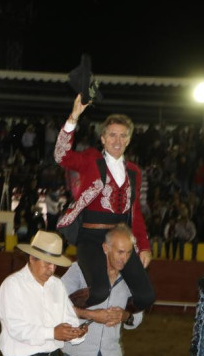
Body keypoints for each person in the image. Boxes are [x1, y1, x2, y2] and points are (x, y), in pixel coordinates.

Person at [55, 94, 155, 312]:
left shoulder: (135, 172)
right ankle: (62, 311)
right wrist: (73, 117)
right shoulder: (91, 159)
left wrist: (144, 246)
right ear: (103, 138)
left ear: (128, 140)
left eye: (122, 136)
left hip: (120, 241)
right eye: (112, 135)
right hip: (91, 237)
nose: (117, 141)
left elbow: (135, 212)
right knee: (99, 292)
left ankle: (122, 318)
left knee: (146, 297)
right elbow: (61, 156)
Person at [0, 231, 87, 356]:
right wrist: (53, 333)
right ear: (32, 258)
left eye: (54, 264)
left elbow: (69, 318)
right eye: (47, 263)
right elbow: (16, 328)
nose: (51, 269)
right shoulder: (12, 285)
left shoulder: (57, 285)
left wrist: (76, 332)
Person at [61, 224, 144, 356]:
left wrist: (125, 315)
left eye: (128, 253)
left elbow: (138, 316)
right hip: (76, 355)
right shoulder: (79, 270)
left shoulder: (132, 278)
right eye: (120, 252)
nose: (124, 258)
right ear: (106, 248)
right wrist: (91, 315)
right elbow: (57, 305)